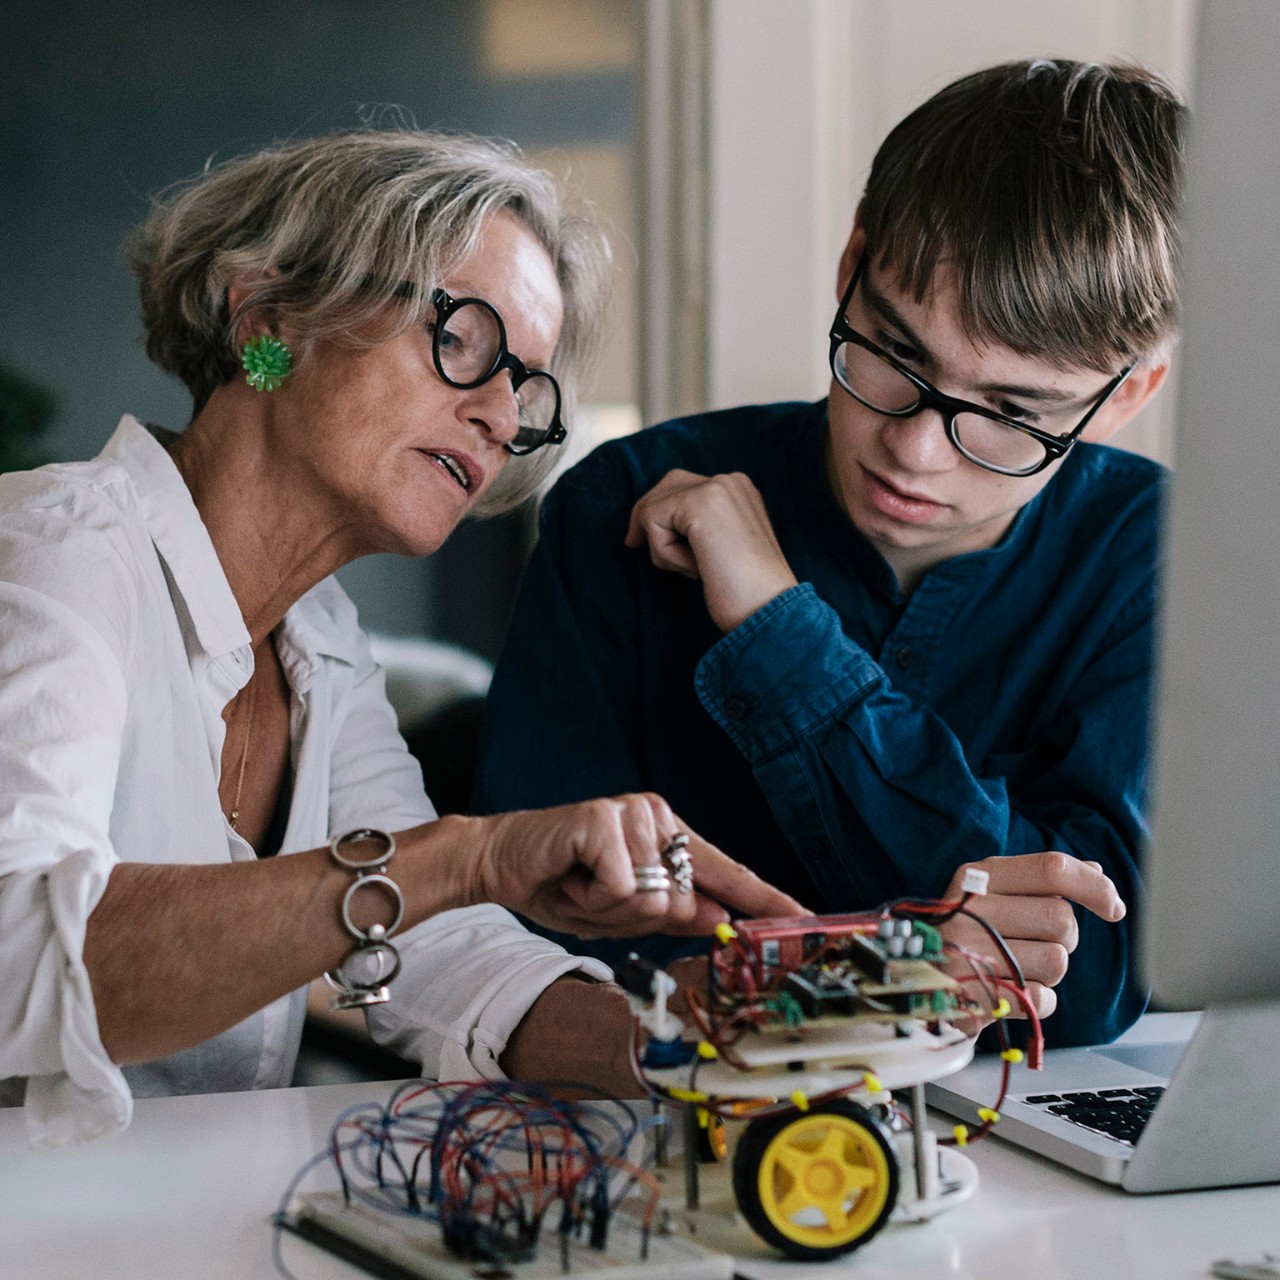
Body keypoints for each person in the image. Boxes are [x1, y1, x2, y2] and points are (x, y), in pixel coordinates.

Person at [0, 129, 802, 1146]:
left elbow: (439, 946)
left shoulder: (322, 644)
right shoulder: (47, 558)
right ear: (269, 315)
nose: (502, 416)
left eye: (526, 384)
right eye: (463, 337)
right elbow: (14, 955)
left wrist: (689, 1037)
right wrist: (467, 853)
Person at [474, 59, 1184, 1048]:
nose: (914, 448)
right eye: (894, 359)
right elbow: (530, 936)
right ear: (851, 265)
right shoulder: (623, 505)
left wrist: (779, 630)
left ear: (1125, 398)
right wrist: (961, 892)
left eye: (1011, 416)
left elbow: (1100, 976)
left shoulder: (1163, 561)